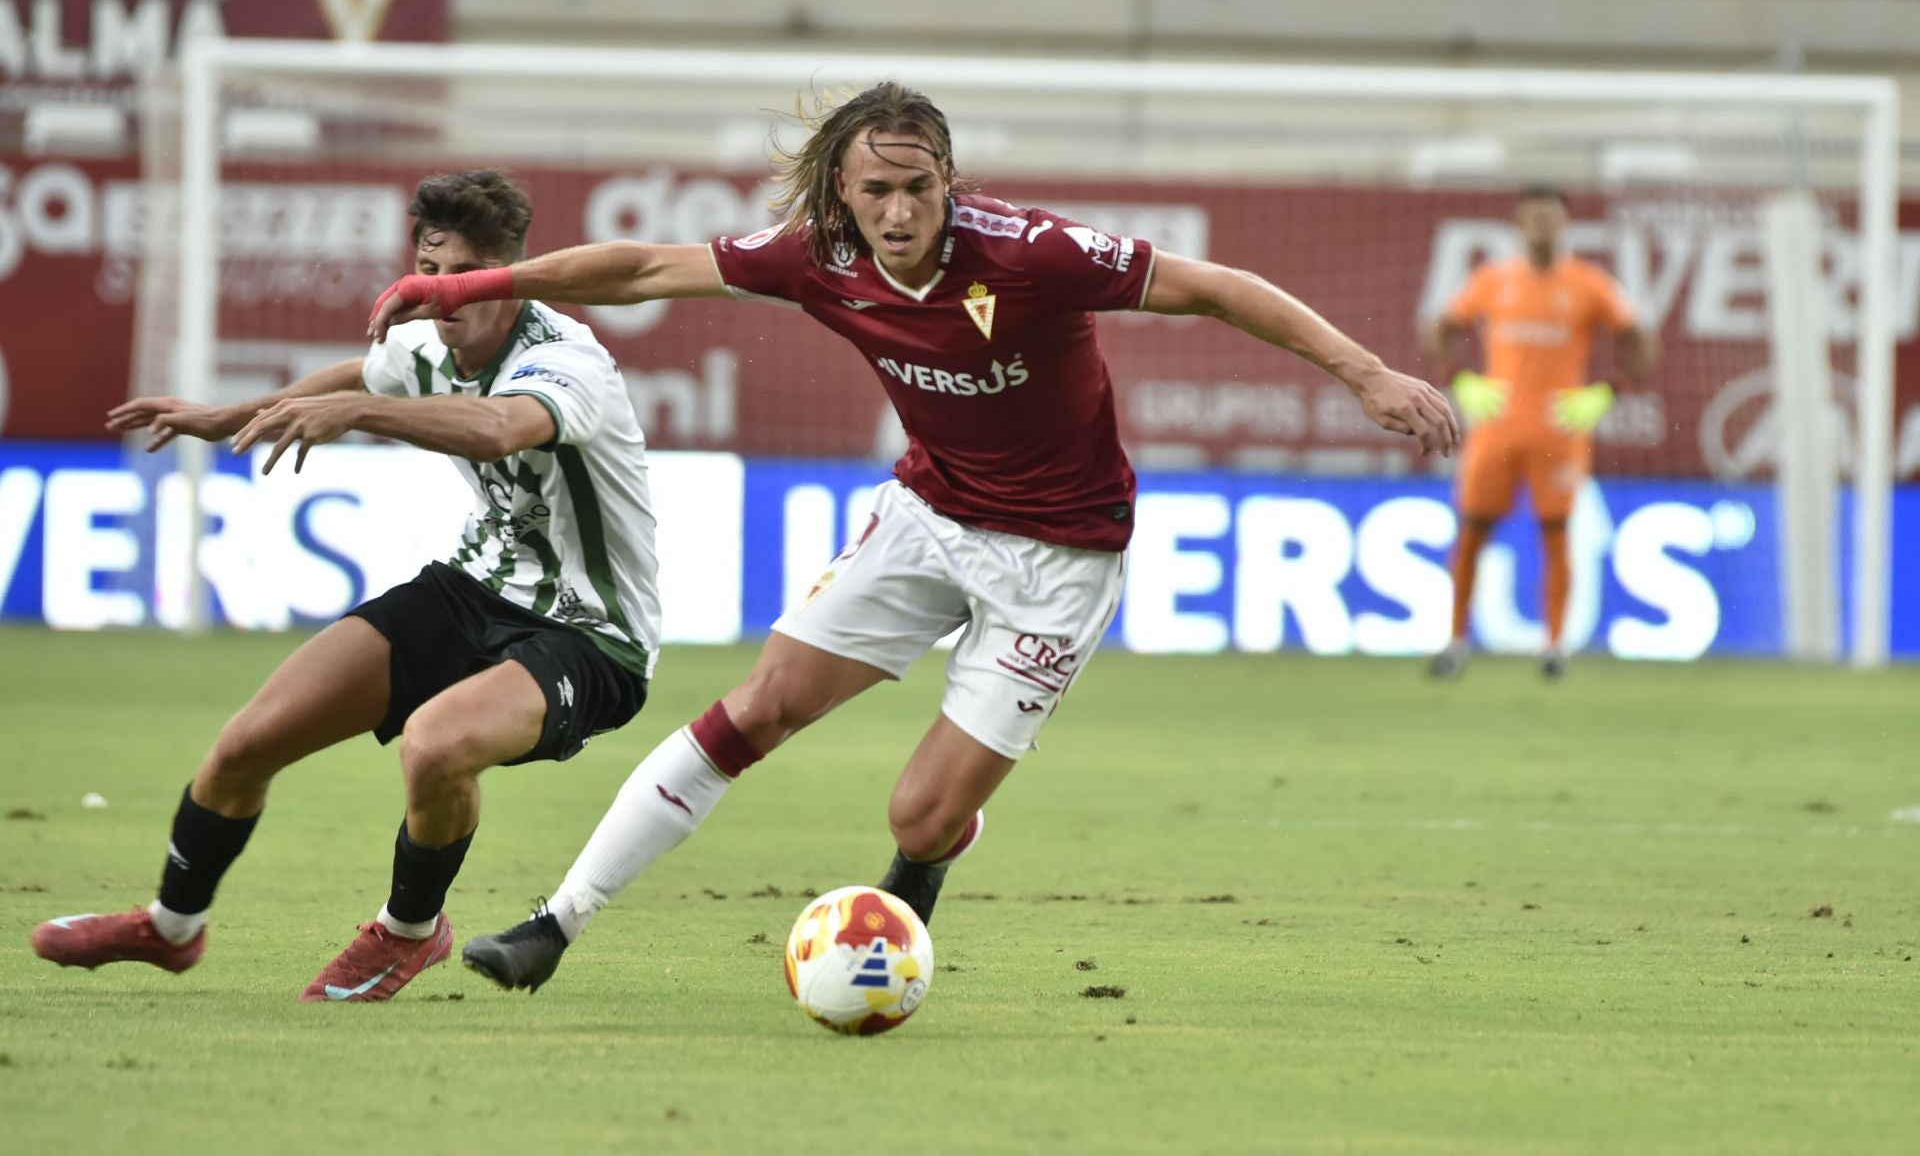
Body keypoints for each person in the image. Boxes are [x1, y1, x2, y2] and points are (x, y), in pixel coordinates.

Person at [365, 82, 1458, 994]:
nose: (899, 212)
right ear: (843, 193)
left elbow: (1216, 289)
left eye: (918, 188)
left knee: (920, 815)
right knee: (757, 707)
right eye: (876, 190)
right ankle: (557, 922)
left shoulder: (1032, 253)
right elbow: (645, 270)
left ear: (949, 182)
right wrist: (473, 283)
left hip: (1060, 560)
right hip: (927, 520)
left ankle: (927, 864)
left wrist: (1367, 373)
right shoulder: (817, 258)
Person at [31, 170, 662, 1003]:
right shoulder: (424, 336)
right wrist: (232, 415)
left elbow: (498, 427)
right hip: (471, 589)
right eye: (428, 273)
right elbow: (364, 373)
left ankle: (409, 932)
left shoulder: (566, 359)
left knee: (435, 745)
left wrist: (360, 416)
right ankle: (171, 927)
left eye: (464, 277)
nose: (441, 294)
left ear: (508, 277)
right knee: (249, 742)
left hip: (591, 633)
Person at [1422, 184, 1657, 681]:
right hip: (1496, 428)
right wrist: (1459, 379)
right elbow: (1439, 328)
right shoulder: (1492, 280)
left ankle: (1553, 647)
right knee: (1473, 532)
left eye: (1549, 216)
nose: (1541, 226)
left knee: (1556, 535)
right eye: (1532, 216)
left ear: (1566, 223)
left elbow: (1639, 338)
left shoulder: (1590, 284)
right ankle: (1454, 641)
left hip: (1558, 430)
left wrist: (1609, 391)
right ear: (1517, 223)